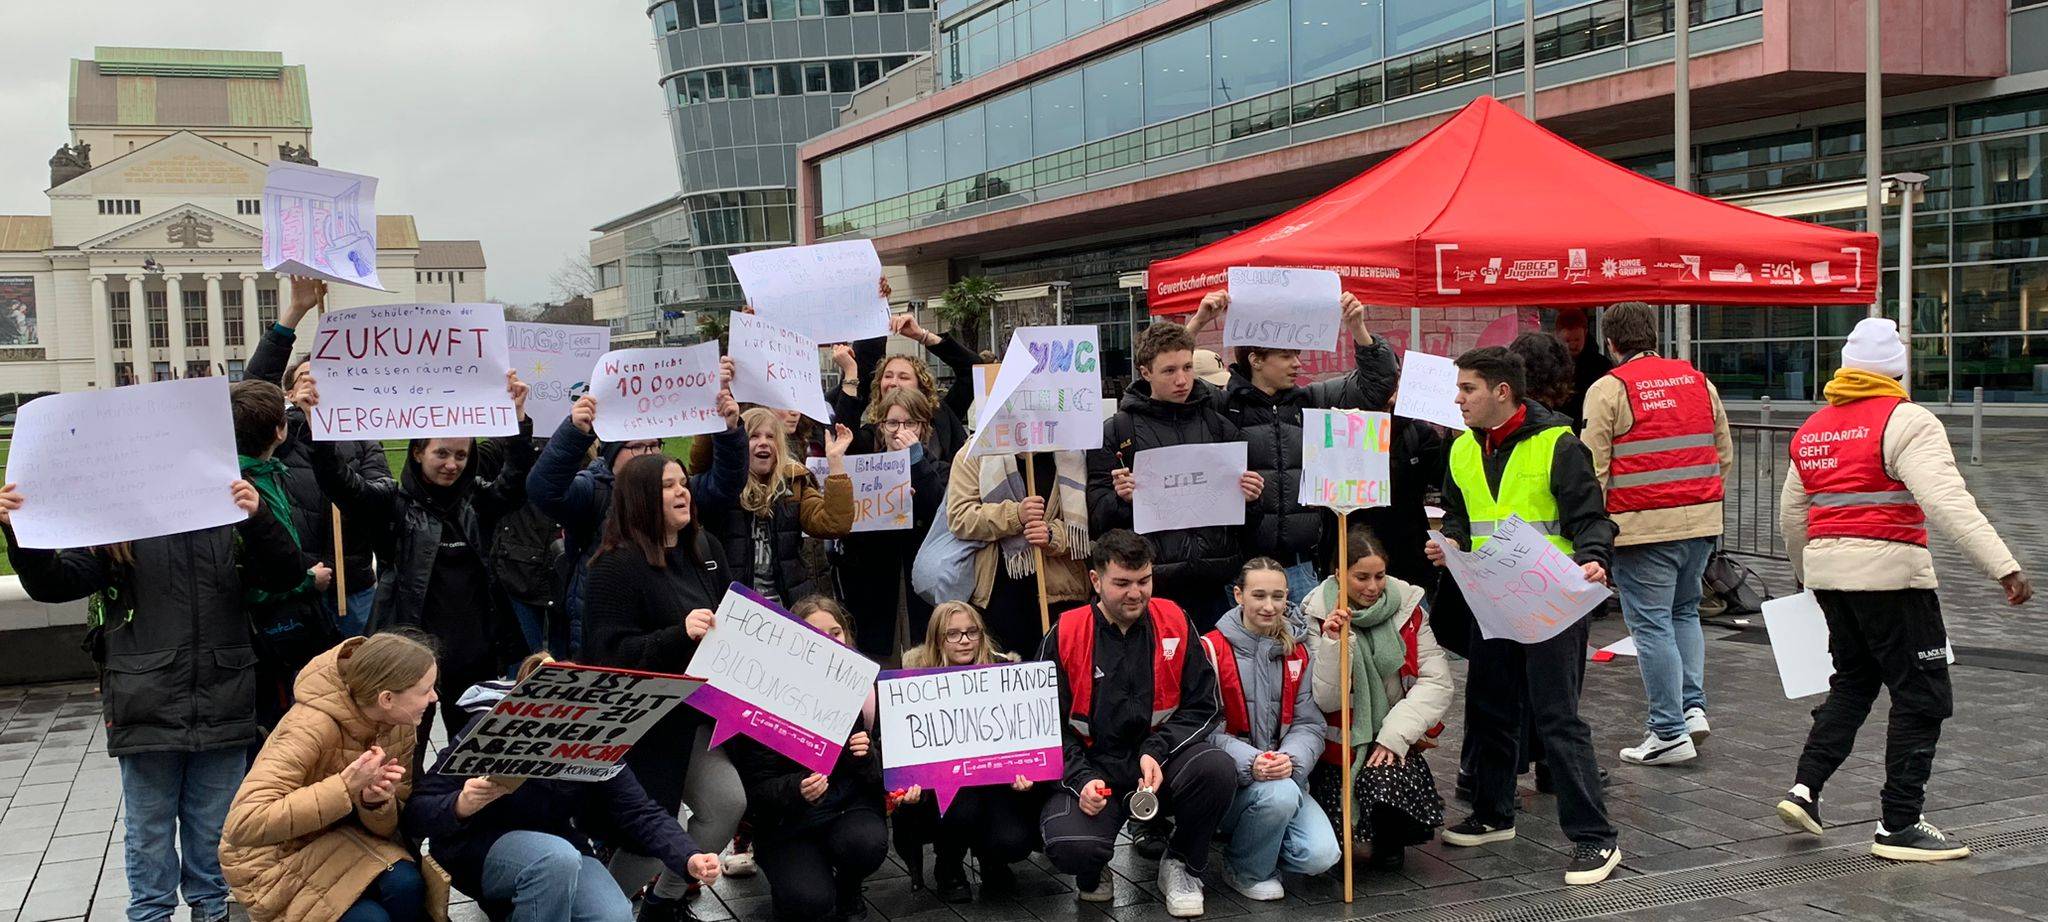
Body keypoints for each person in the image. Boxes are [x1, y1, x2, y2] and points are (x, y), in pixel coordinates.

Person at [1774, 318, 2032, 862]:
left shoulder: (1813, 428)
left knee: (1853, 683)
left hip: (1831, 582)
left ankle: (1805, 788)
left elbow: (1792, 517)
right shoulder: (1907, 421)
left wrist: (1808, 574)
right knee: (1923, 695)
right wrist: (2002, 566)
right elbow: (1947, 502)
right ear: (1897, 371)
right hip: (1894, 581)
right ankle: (1899, 823)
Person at [1, 478, 309, 922]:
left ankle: (212, 909)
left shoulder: (227, 507)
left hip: (224, 690)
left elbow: (286, 573)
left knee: (215, 825)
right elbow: (56, 583)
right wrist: (20, 533)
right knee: (149, 829)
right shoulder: (114, 521)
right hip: (145, 696)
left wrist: (259, 517)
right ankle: (151, 913)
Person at [1428, 346, 1623, 886]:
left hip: (1552, 597)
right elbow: (1463, 517)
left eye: (1468, 389)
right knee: (1489, 705)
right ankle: (1493, 813)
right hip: (1491, 595)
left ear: (1502, 392)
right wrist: (1451, 541)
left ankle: (1594, 838)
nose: (1458, 399)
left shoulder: (1559, 444)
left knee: (1557, 716)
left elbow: (1593, 519)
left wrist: (1594, 559)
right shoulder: (1463, 450)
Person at [297, 369, 536, 762]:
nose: (451, 464)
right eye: (441, 453)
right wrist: (317, 430)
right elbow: (341, 483)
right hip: (409, 664)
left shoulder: (478, 502)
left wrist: (518, 421)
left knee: (473, 761)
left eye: (461, 455)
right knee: (403, 763)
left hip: (475, 660)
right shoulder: (391, 503)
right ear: (417, 452)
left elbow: (514, 480)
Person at [405, 653, 723, 921]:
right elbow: (419, 807)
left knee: (614, 915)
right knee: (556, 860)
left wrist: (689, 856)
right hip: (476, 845)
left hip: (557, 845)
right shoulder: (489, 727)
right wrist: (461, 804)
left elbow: (639, 811)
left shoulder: (595, 737)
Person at [578, 450, 745, 921]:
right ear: (641, 500)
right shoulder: (615, 567)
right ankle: (590, 908)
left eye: (683, 482)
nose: (682, 492)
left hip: (696, 718)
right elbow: (606, 657)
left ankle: (664, 901)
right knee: (649, 838)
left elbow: (734, 620)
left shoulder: (705, 548)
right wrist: (678, 634)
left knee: (727, 804)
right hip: (644, 727)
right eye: (668, 485)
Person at [1036, 529, 1234, 918]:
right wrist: (1079, 780)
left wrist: (1156, 751)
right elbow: (1045, 727)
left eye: (1144, 581)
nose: (1136, 593)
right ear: (1095, 581)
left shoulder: (1174, 618)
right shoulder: (1066, 631)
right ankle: (1093, 872)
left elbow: (1204, 705)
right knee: (1070, 845)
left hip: (1159, 763)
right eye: (1122, 583)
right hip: (1094, 768)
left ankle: (1182, 864)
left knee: (1217, 769)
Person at [1580, 302, 1733, 767]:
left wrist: (1594, 531)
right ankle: (1691, 709)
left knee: (1650, 626)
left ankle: (1667, 729)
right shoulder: (1697, 380)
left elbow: (1594, 470)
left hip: (1643, 528)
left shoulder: (1609, 389)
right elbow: (1722, 452)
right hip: (1701, 522)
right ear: (1654, 335)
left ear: (1611, 343)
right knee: (1685, 614)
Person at [1185, 291, 1404, 600]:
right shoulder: (1222, 405)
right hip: (1240, 568)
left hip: (1300, 568)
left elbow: (1377, 384)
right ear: (1256, 359)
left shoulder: (1311, 400)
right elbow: (1170, 377)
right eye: (1286, 356)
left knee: (1305, 649)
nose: (1297, 364)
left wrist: (1358, 328)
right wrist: (1199, 321)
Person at [219, 633, 435, 922]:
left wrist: (374, 803)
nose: (434, 698)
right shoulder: (308, 727)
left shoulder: (401, 724)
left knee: (408, 885)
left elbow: (389, 831)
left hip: (339, 841)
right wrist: (344, 788)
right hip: (272, 858)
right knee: (370, 919)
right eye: (426, 690)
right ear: (386, 699)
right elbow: (244, 824)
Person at [1088, 320, 1263, 632]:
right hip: (1153, 589)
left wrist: (1251, 496)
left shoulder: (1218, 425)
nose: (1182, 380)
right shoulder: (1117, 432)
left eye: (1187, 367)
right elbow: (1099, 518)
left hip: (1216, 585)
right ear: (1145, 372)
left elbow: (1250, 518)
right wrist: (1122, 499)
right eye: (1169, 371)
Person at [245, 276, 392, 637]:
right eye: (306, 379)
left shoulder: (360, 438)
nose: (316, 386)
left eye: (326, 379)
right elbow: (252, 390)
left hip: (354, 587)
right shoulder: (280, 437)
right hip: (302, 588)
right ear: (290, 392)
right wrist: (293, 314)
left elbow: (379, 496)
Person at [729, 596, 889, 922]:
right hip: (787, 824)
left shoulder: (864, 686)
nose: (829, 642)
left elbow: (890, 772)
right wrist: (796, 789)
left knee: (866, 843)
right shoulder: (763, 693)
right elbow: (754, 789)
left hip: (847, 809)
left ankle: (849, 887)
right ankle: (792, 889)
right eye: (816, 635)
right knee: (809, 901)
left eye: (836, 633)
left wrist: (868, 758)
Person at [1301, 531, 1450, 872]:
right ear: (1340, 574)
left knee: (1386, 780)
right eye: (1361, 577)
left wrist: (1393, 735)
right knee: (1333, 848)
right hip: (1338, 747)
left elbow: (1437, 681)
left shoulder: (1409, 608)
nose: (1372, 587)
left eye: (1379, 576)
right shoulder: (1316, 613)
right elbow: (1325, 699)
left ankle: (1391, 837)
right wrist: (1333, 645)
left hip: (1389, 734)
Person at [1200, 559, 1340, 900]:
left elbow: (1309, 722)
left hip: (1286, 778)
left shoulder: (1300, 650)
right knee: (1278, 796)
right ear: (1238, 595)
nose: (1269, 606)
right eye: (1258, 595)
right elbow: (1203, 728)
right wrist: (1253, 762)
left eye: (1278, 596)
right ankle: (1246, 870)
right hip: (1232, 785)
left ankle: (1259, 839)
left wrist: (1290, 761)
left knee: (1321, 855)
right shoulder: (1211, 649)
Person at [891, 602, 1046, 901]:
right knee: (961, 811)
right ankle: (948, 864)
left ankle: (993, 860)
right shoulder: (913, 681)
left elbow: (1026, 738)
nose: (964, 640)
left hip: (996, 783)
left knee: (1013, 840)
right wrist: (909, 782)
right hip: (941, 789)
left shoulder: (1006, 672)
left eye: (971, 632)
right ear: (937, 638)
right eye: (953, 634)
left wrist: (1027, 773)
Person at [229, 380, 339, 735]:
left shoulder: (266, 471)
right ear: (279, 431)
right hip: (270, 629)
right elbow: (259, 573)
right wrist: (308, 580)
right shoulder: (249, 486)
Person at [527, 394, 673, 655]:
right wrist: (574, 433)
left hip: (654, 628)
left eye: (655, 446)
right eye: (638, 447)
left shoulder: (672, 490)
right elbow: (543, 490)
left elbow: (721, 488)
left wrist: (729, 433)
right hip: (596, 630)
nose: (649, 455)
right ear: (612, 455)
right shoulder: (592, 489)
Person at [695, 405, 855, 606]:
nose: (763, 443)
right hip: (732, 606)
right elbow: (699, 462)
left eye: (770, 437)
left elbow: (834, 524)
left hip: (786, 605)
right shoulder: (722, 488)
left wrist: (836, 463)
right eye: (754, 436)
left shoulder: (794, 483)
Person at [945, 436, 1090, 656]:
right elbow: (960, 517)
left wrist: (1053, 535)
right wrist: (1015, 515)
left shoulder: (1075, 452)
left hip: (1062, 590)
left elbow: (1090, 523)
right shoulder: (976, 450)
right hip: (1001, 592)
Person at [837, 387, 950, 659]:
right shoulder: (864, 469)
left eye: (910, 422)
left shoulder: (941, 469)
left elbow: (938, 507)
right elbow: (849, 532)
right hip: (875, 588)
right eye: (892, 422)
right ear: (881, 426)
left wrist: (915, 462)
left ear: (924, 428)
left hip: (919, 590)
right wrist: (885, 510)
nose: (900, 430)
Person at [831, 285, 981, 464]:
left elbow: (974, 370)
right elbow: (845, 437)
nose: (894, 382)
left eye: (903, 377)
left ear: (921, 386)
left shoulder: (943, 416)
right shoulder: (875, 435)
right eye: (888, 376)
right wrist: (850, 372)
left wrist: (923, 335)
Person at [1554, 308, 1611, 428]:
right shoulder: (1551, 364)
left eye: (1577, 339)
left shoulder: (1601, 365)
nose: (1573, 345)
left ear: (1585, 333)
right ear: (1557, 335)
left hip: (1593, 424)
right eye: (1567, 340)